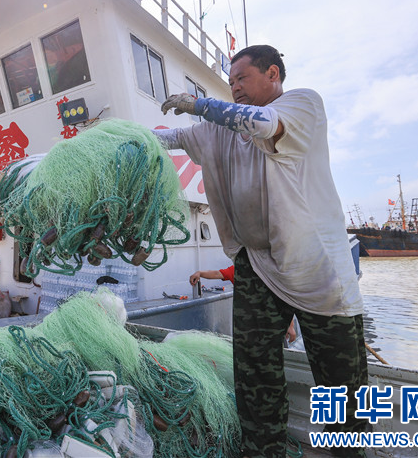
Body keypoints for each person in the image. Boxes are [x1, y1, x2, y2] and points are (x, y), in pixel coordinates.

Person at [155, 45, 367, 457]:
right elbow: (172, 137)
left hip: (315, 265)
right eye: (230, 82)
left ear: (273, 74)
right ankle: (263, 449)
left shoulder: (302, 105)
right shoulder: (218, 128)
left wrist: (199, 103)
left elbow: (264, 124)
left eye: (242, 79)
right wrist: (117, 137)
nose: (234, 88)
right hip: (255, 261)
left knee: (340, 380)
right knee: (253, 373)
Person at [190, 266, 297, 343]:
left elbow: (283, 300)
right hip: (248, 330)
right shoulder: (239, 269)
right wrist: (200, 273)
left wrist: (290, 326)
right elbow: (217, 274)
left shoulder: (270, 271)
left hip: (271, 328)